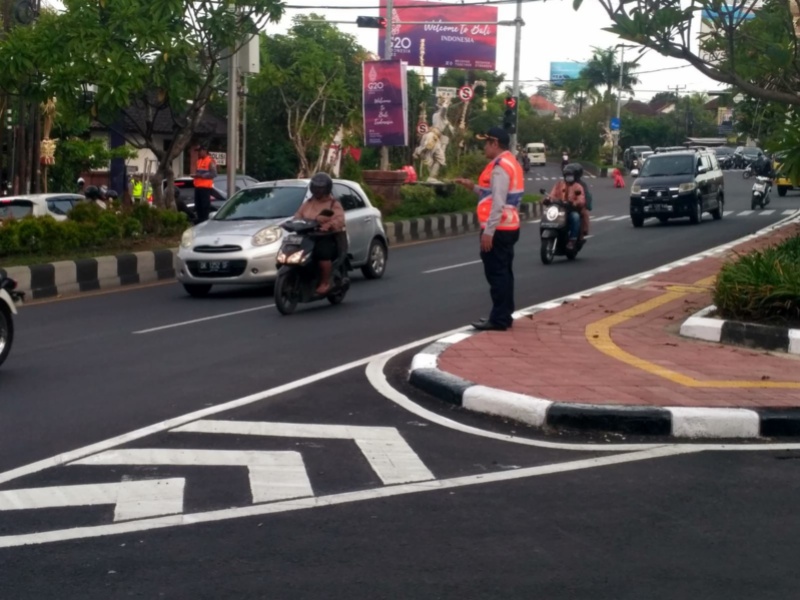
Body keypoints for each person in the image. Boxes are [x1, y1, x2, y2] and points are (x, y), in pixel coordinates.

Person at [454, 126, 524, 332]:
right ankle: (504, 314)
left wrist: (489, 232)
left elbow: (498, 202)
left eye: (486, 143)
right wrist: (472, 187)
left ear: (495, 144)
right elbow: (493, 194)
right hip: (509, 225)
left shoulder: (501, 166)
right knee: (505, 272)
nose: (484, 147)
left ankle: (499, 318)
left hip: (499, 227)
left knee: (497, 274)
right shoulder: (511, 162)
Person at [293, 173, 345, 296]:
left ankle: (325, 282)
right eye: (315, 187)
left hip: (326, 237)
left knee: (322, 256)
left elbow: (339, 219)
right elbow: (298, 215)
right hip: (308, 236)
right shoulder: (309, 202)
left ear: (327, 188)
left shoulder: (333, 204)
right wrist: (292, 223)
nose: (317, 190)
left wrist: (328, 226)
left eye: (320, 188)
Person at [548, 163, 587, 250]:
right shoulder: (559, 185)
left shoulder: (578, 187)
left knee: (575, 217)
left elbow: (581, 199)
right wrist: (548, 199)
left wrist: (575, 203)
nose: (568, 177)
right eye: (567, 175)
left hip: (571, 210)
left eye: (570, 175)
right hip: (559, 210)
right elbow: (552, 195)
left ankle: (572, 240)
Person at [193, 144, 217, 222]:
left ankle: (204, 221)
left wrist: (201, 176)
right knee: (198, 207)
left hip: (205, 188)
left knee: (204, 207)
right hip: (198, 187)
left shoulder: (210, 161)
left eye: (200, 151)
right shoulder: (199, 161)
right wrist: (196, 176)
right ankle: (200, 221)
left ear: (204, 151)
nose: (198, 153)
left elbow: (213, 174)